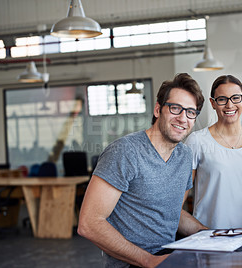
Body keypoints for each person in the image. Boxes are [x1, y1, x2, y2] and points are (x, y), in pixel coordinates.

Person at [78, 73, 207, 268]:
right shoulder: (125, 151)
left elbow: (172, 213)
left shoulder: (185, 156)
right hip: (132, 264)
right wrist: (149, 260)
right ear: (157, 109)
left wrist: (207, 233)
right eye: (175, 108)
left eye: (191, 112)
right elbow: (89, 224)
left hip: (166, 258)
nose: (183, 118)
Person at [185, 75, 242, 229]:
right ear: (213, 103)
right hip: (211, 237)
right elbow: (178, 201)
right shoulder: (197, 141)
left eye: (235, 98)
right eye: (222, 99)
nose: (230, 105)